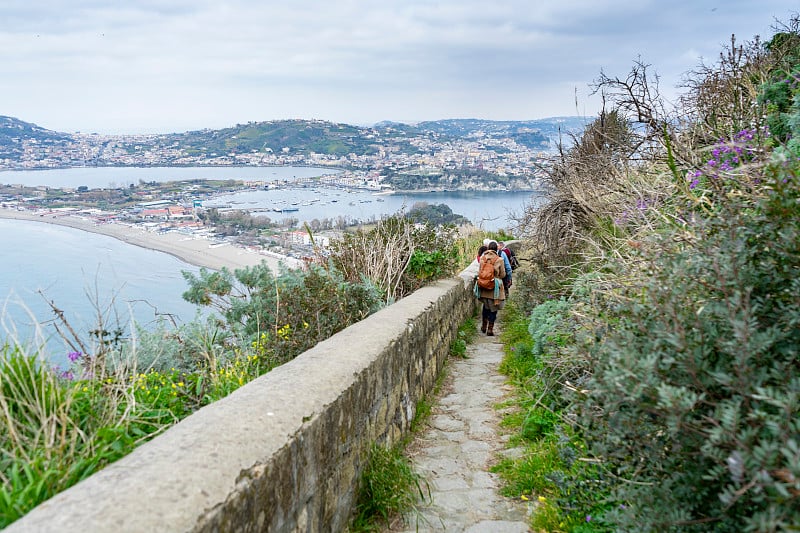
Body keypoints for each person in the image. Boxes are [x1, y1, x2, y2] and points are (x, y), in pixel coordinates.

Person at [475, 241, 506, 336]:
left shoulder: (482, 258)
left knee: (486, 306)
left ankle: (483, 326)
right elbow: (502, 274)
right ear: (496, 249)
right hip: (494, 287)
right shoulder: (499, 259)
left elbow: (480, 271)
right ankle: (490, 329)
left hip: (484, 286)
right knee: (493, 308)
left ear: (488, 248)